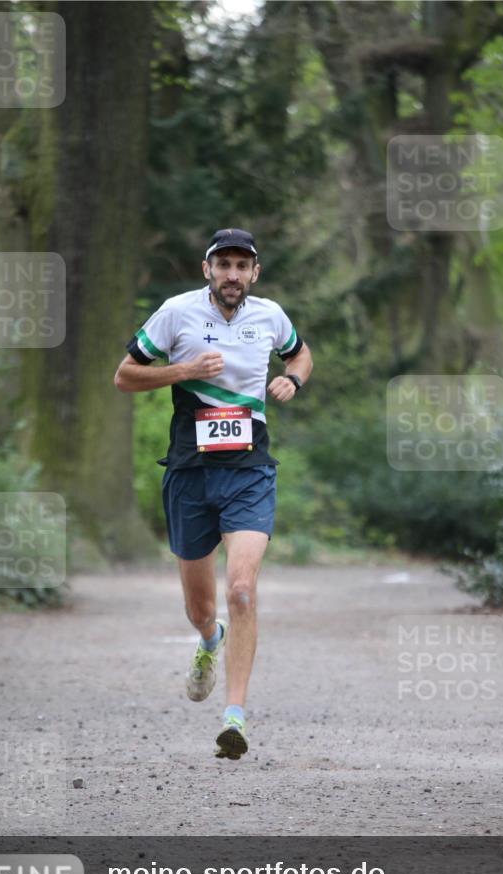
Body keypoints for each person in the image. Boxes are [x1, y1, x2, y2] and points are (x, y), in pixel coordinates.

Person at [114, 228, 313, 760]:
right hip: (189, 473)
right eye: (222, 264)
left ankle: (235, 718)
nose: (232, 274)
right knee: (200, 608)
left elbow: (300, 356)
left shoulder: (270, 316)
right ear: (208, 269)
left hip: (249, 471)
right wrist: (183, 370)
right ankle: (208, 640)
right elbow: (125, 376)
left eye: (241, 266)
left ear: (254, 274)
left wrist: (293, 381)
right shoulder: (176, 313)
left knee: (242, 588)